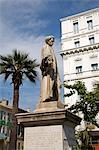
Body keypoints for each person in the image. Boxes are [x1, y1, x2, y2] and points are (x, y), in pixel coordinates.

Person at [40, 35, 61, 102]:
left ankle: (52, 97)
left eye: (53, 41)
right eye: (52, 41)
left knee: (54, 84)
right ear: (48, 41)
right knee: (48, 83)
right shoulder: (46, 47)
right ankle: (47, 96)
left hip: (53, 70)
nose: (53, 42)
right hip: (48, 71)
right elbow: (45, 57)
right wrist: (48, 61)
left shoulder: (51, 49)